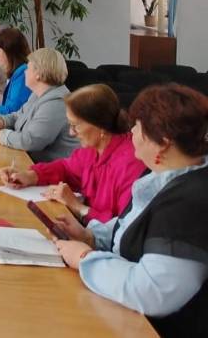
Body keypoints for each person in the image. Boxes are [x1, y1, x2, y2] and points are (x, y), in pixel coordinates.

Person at [53, 84, 208, 336]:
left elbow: (153, 292)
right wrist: (90, 235)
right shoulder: (166, 175)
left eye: (137, 127)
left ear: (163, 144)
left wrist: (84, 258)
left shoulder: (188, 201)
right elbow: (132, 226)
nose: (131, 131)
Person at [0, 84, 146, 223]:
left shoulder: (131, 164)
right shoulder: (92, 149)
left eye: (75, 126)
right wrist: (31, 176)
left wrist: (76, 206)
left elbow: (123, 227)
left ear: (100, 126)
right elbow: (66, 169)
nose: (71, 132)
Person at [0, 48, 78, 162]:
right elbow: (17, 116)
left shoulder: (56, 103)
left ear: (38, 74)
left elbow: (30, 141)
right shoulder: (38, 93)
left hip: (47, 168)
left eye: (28, 68)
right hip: (28, 160)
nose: (25, 72)